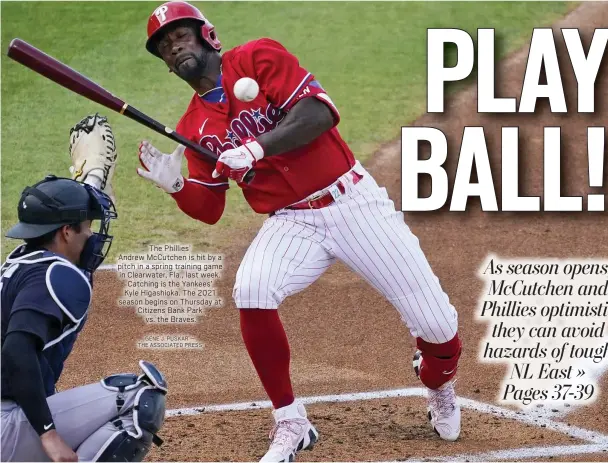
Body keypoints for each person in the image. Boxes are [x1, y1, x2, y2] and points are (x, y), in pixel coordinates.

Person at [138, 2, 462, 461]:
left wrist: (255, 147)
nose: (173, 46)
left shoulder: (257, 58)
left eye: (180, 35)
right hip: (292, 221)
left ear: (207, 35)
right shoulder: (196, 126)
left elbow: (319, 115)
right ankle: (291, 421)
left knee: (437, 326)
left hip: (352, 203)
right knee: (251, 288)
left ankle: (438, 386)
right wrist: (175, 185)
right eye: (164, 46)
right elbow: (209, 209)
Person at [1, 116, 167, 462]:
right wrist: (48, 435)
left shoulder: (20, 259)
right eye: (87, 226)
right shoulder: (59, 278)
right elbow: (16, 350)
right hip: (5, 427)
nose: (93, 235)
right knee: (137, 398)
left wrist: (92, 178)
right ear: (65, 231)